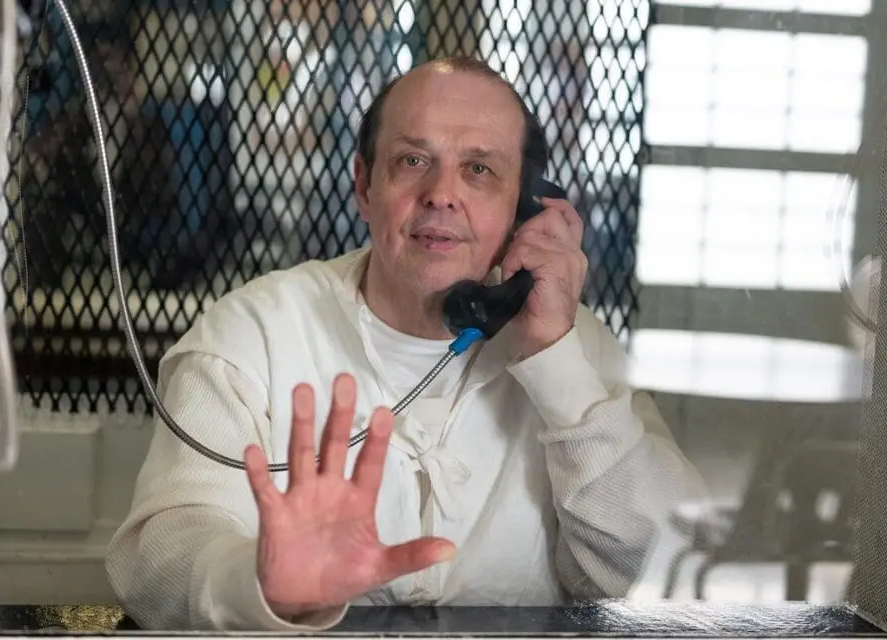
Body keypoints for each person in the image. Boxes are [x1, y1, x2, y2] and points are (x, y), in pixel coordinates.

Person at [104, 55, 705, 631]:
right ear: (364, 186)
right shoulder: (250, 335)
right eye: (414, 161)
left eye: (479, 170)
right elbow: (158, 556)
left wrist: (555, 361)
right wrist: (257, 584)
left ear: (525, 207)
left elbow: (677, 575)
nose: (442, 193)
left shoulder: (576, 344)